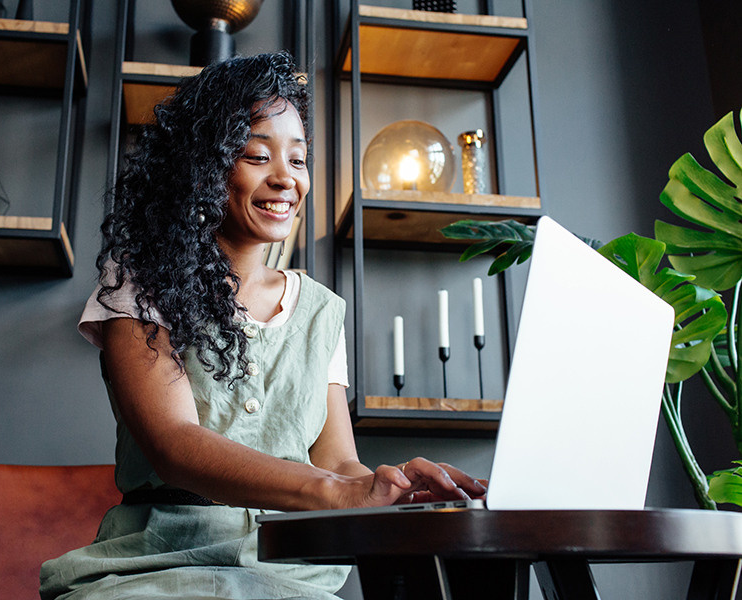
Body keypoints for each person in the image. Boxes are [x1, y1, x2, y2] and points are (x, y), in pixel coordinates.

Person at [40, 51, 486, 600]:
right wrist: (336, 492)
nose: (285, 179)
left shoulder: (322, 311)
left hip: (291, 572)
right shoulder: (140, 282)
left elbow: (338, 460)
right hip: (155, 565)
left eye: (298, 161)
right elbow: (174, 444)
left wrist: (388, 487)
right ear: (202, 166)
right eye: (256, 155)